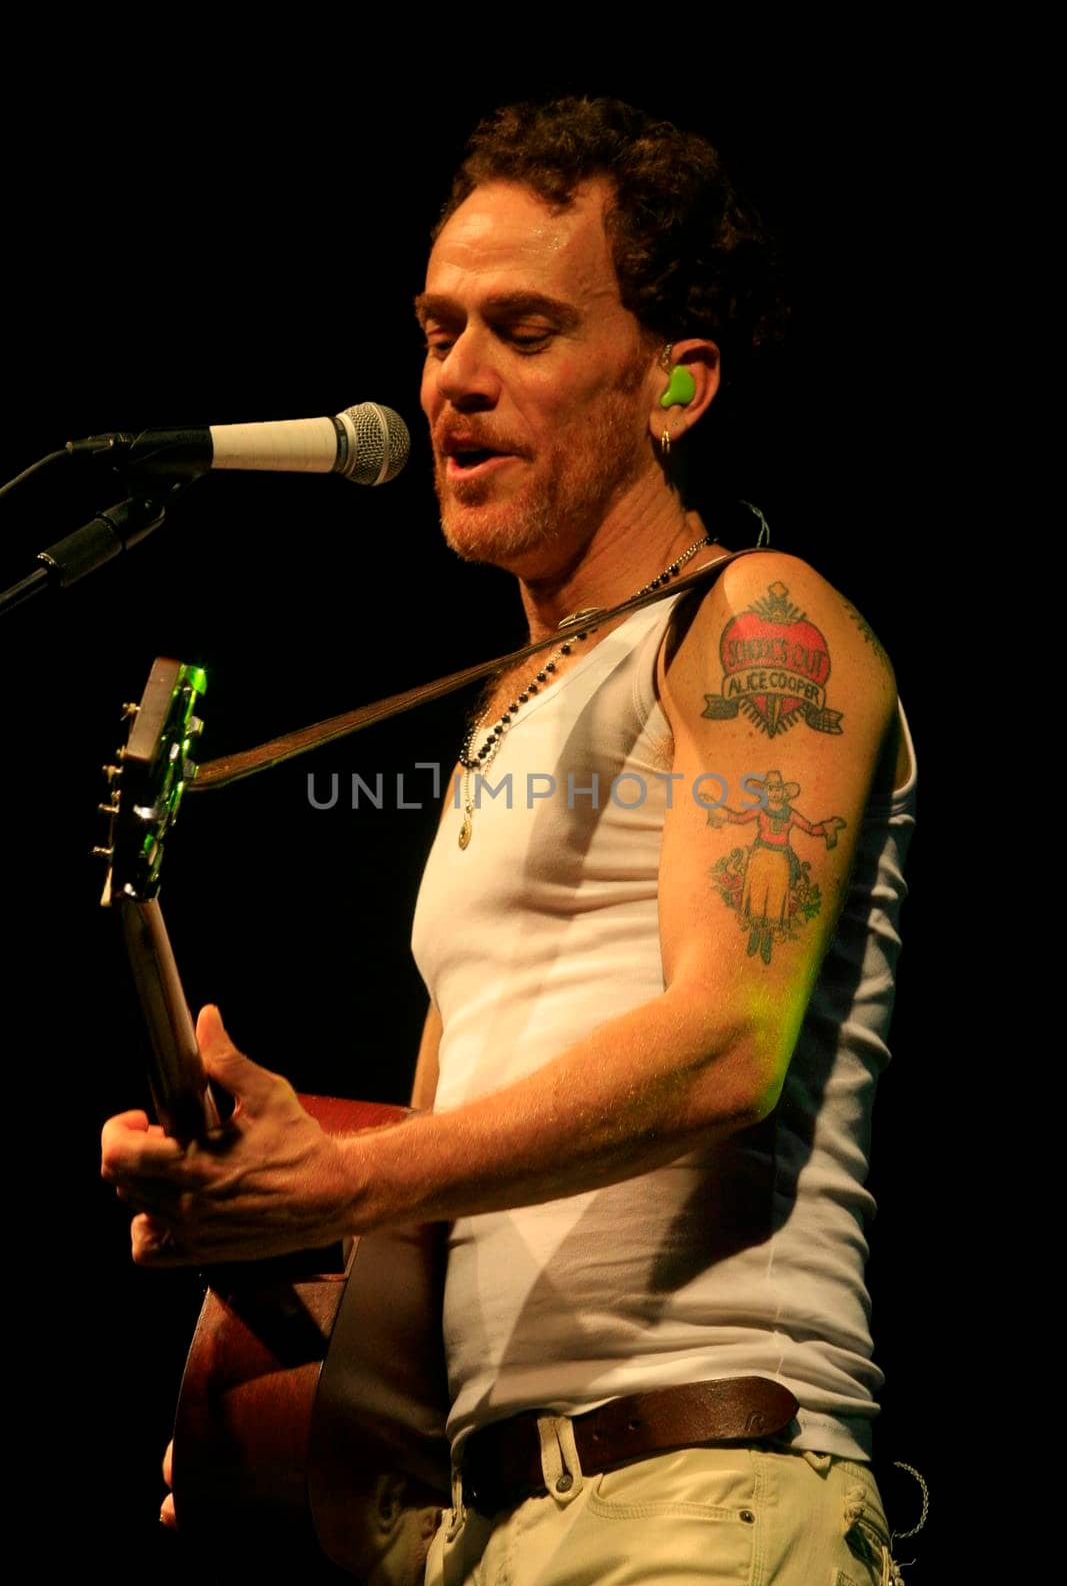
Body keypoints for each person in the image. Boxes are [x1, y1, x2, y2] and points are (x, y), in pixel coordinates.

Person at [102, 96, 915, 1585]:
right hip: (492, 1529)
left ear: (676, 386)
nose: (453, 384)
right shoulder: (503, 716)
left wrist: (342, 1182)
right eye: (438, 329)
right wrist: (255, 1366)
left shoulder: (755, 622)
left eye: (524, 333)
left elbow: (729, 1043)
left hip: (700, 1495)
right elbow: (426, 1191)